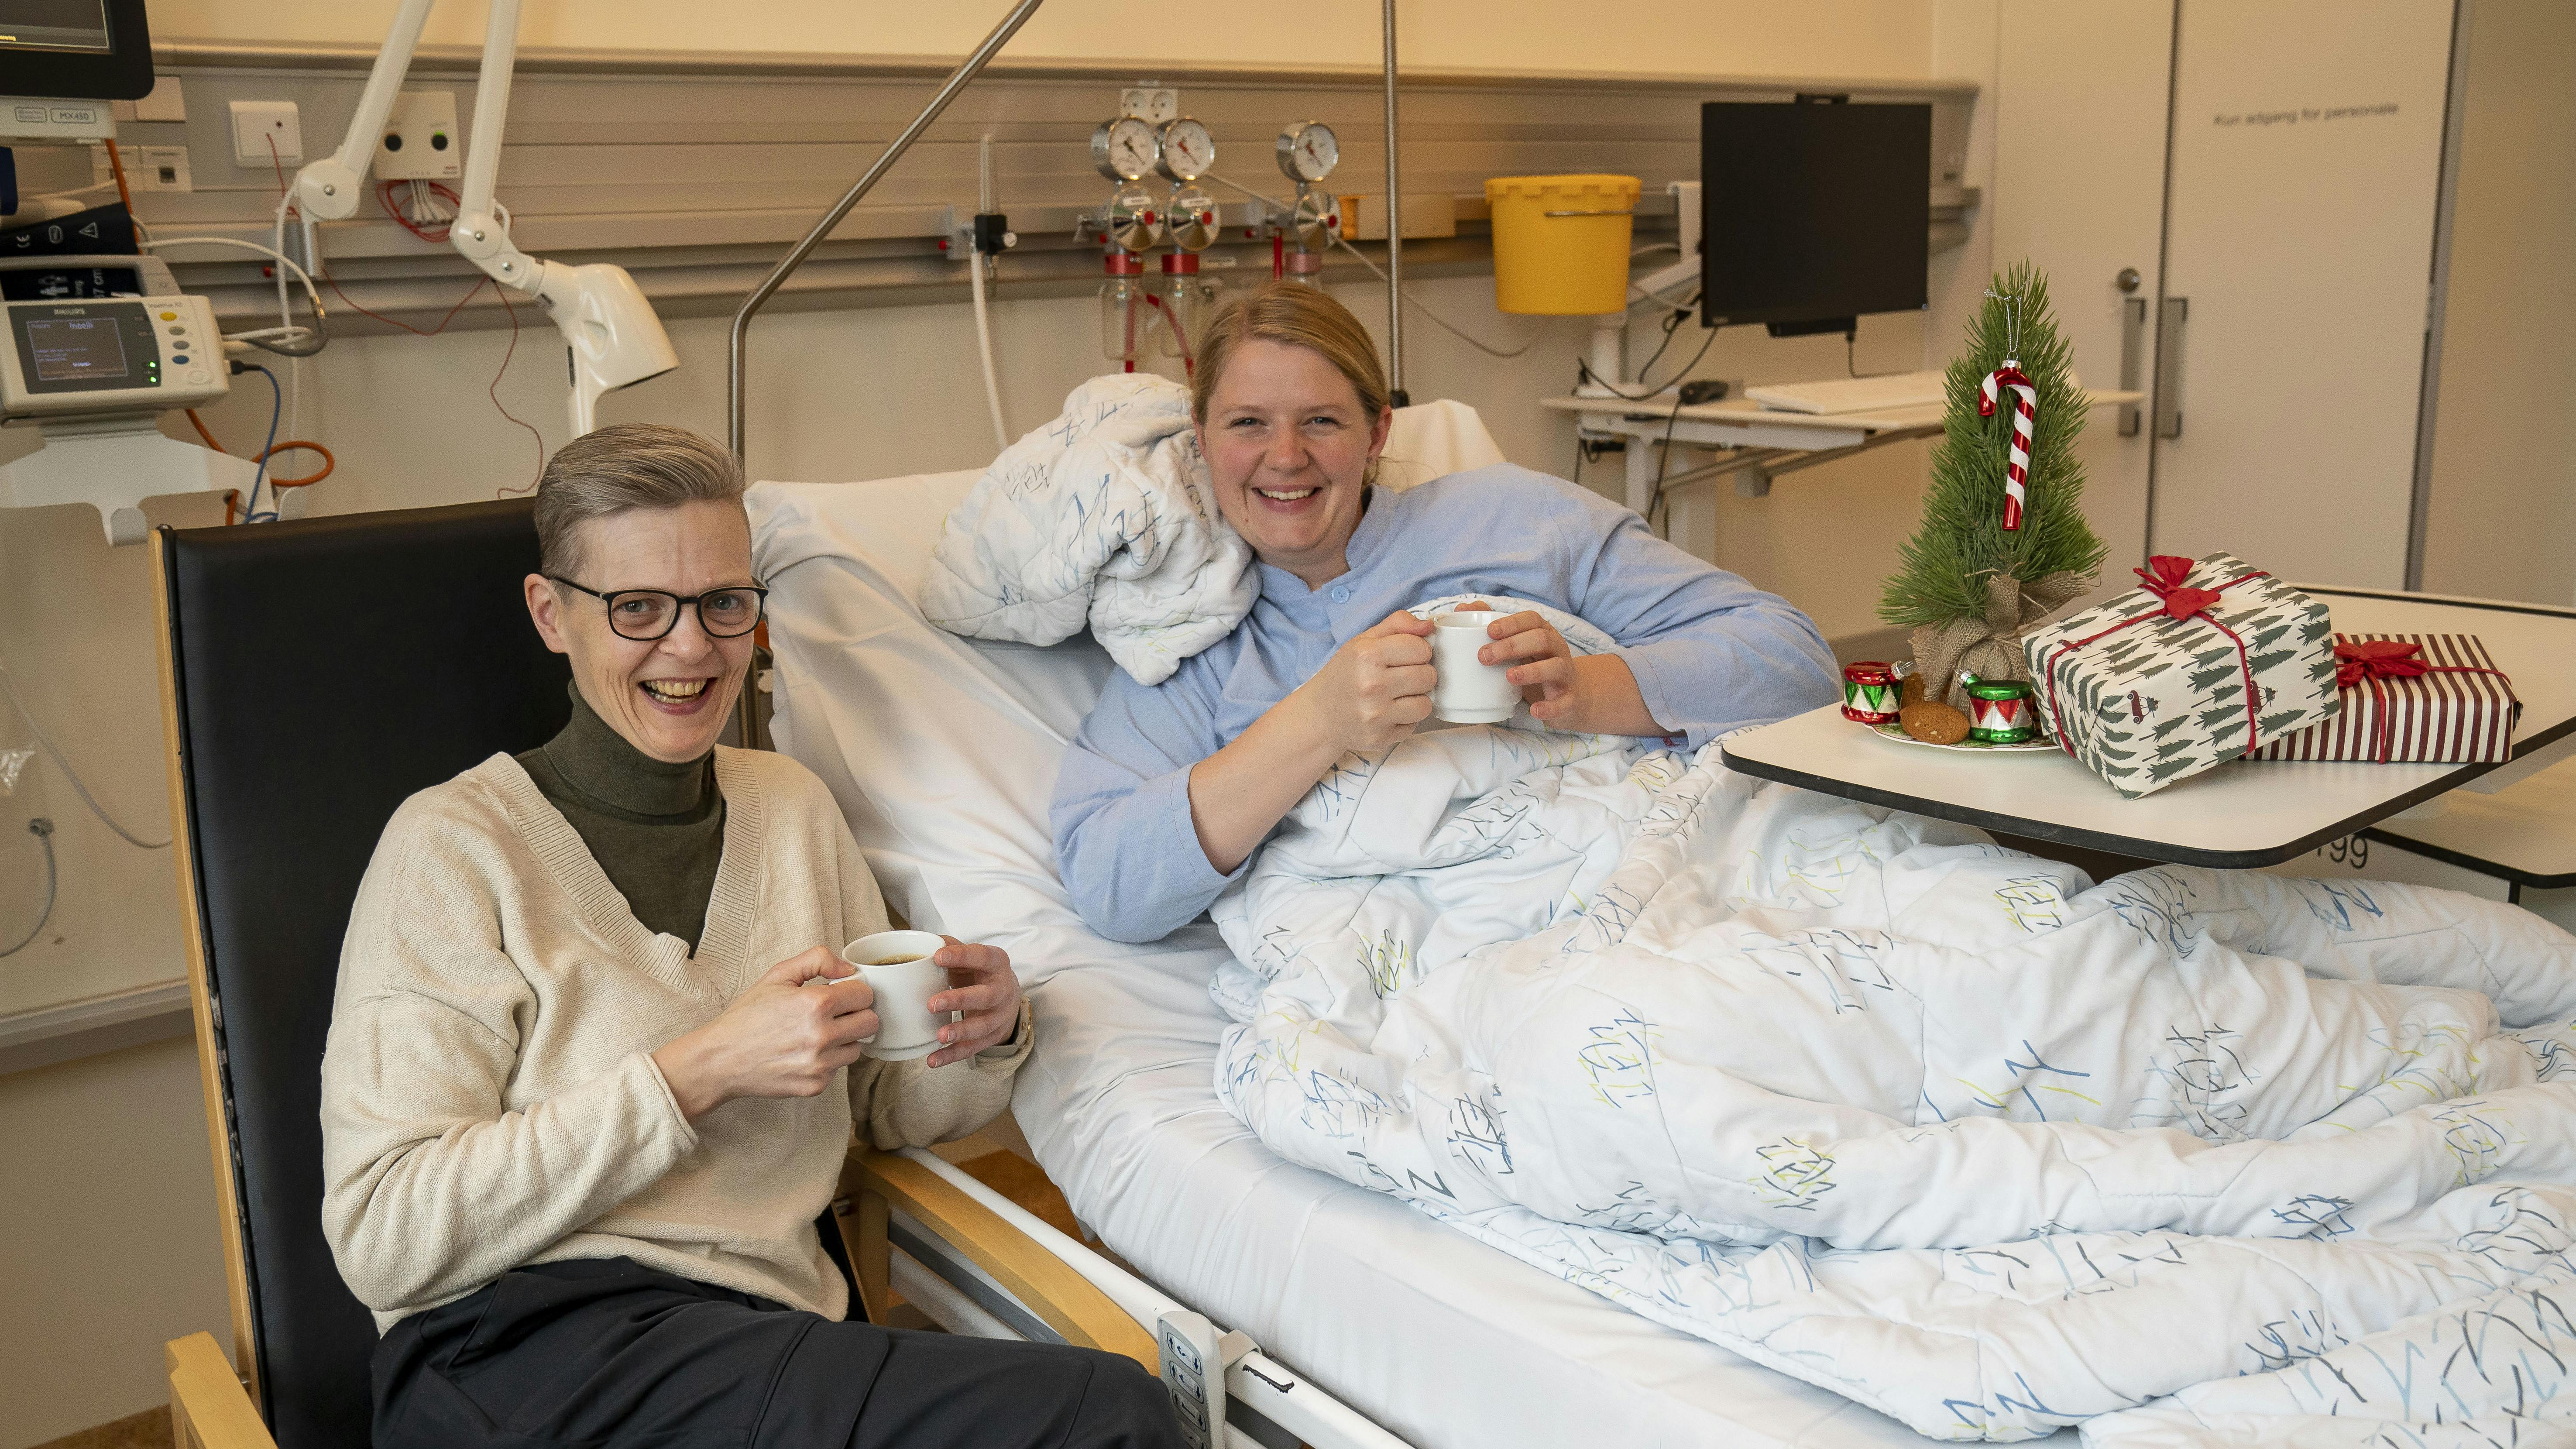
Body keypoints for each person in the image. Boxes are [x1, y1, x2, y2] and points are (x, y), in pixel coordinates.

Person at [321, 425, 1178, 1449]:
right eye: (637, 607)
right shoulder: (455, 848)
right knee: (1107, 1418)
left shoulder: (791, 811)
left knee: (1100, 1412)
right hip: (520, 1350)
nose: (690, 648)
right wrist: (696, 1072)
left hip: (757, 1348)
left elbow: (881, 1105)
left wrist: (976, 1030)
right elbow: (385, 1233)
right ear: (552, 615)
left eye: (724, 604)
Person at [1053, 283, 1840, 943]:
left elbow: (1796, 664)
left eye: (1322, 421)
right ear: (1202, 441)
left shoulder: (1515, 517)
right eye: (1247, 422)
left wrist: (1580, 690)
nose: (1286, 456)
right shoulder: (1190, 637)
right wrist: (1316, 723)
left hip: (1672, 892)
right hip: (1460, 959)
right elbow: (1111, 885)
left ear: (1375, 433)